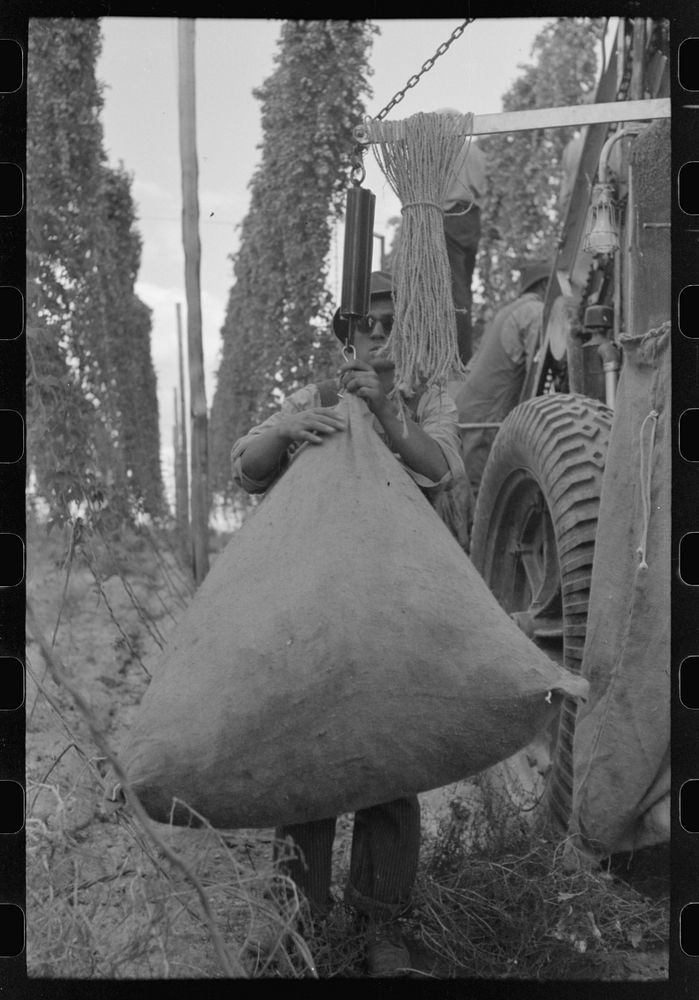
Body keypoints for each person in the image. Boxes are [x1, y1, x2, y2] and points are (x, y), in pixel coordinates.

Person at [231, 270, 467, 976]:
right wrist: (285, 429)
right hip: (319, 604)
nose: (375, 332)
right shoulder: (317, 396)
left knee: (389, 767)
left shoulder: (428, 399)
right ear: (343, 333)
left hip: (396, 605)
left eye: (389, 320)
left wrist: (391, 414)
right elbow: (247, 466)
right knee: (310, 756)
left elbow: (444, 469)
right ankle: (295, 916)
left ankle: (381, 927)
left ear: (408, 331)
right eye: (363, 323)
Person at [455, 260, 551, 499]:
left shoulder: (507, 311)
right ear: (545, 285)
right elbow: (537, 375)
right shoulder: (534, 313)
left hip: (466, 413)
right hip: (486, 422)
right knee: (481, 498)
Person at [438, 108, 488, 366]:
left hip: (448, 216)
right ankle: (462, 355)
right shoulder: (476, 151)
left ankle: (455, 358)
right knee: (463, 291)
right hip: (472, 218)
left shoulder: (442, 148)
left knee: (449, 292)